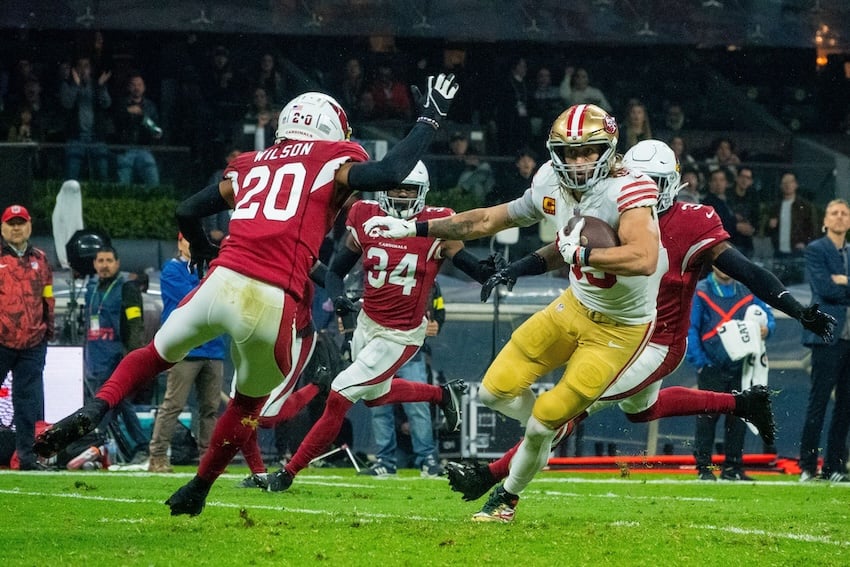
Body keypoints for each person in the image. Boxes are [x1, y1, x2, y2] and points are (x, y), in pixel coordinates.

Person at [35, 73, 461, 517]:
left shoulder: (252, 162)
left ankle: (97, 406)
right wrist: (429, 119)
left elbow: (187, 209)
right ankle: (199, 487)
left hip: (221, 279)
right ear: (333, 129)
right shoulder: (333, 160)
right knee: (248, 406)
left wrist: (201, 247)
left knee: (154, 354)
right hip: (272, 298)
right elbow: (391, 171)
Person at [441, 140, 832, 503]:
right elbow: (564, 248)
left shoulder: (693, 221)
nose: (649, 189)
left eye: (656, 181)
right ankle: (741, 403)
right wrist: (518, 268)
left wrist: (797, 310)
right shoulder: (611, 200)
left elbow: (745, 270)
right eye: (640, 179)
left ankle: (495, 481)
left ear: (674, 183)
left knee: (571, 407)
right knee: (640, 411)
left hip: (656, 341)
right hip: (604, 324)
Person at [366, 103, 663, 522]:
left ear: (609, 149)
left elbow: (644, 257)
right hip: (575, 305)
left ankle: (506, 496)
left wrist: (582, 253)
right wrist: (417, 228)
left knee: (542, 422)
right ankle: (547, 432)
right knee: (494, 391)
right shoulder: (549, 182)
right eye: (569, 152)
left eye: (588, 151)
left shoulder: (629, 189)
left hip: (620, 329)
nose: (577, 162)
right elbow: (488, 219)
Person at [264, 160, 500, 492]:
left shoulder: (437, 223)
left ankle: (287, 473)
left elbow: (469, 265)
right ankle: (441, 395)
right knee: (375, 398)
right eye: (396, 188)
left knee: (339, 394)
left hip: (402, 333)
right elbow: (335, 271)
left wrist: (494, 272)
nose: (402, 196)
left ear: (422, 194)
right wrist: (340, 300)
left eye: (409, 190)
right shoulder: (364, 215)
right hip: (368, 323)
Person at [688, 265, 775, 481]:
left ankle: (733, 467)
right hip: (711, 365)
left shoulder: (748, 290)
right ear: (713, 264)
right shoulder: (700, 291)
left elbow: (768, 315)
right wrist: (701, 363)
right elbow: (690, 328)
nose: (725, 268)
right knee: (708, 417)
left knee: (739, 418)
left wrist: (767, 329)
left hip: (741, 365)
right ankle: (704, 468)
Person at [147, 233, 226, 473]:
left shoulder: (212, 268)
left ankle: (208, 460)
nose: (193, 245)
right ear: (180, 243)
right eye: (189, 241)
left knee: (210, 409)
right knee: (174, 405)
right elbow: (193, 298)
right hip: (185, 347)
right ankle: (157, 457)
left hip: (213, 346)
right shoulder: (172, 270)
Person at [360, 269, 447, 478]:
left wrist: (436, 324)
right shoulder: (381, 272)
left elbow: (439, 309)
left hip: (410, 349)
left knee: (417, 405)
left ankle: (426, 458)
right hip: (381, 347)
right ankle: (386, 460)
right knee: (381, 406)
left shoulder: (425, 276)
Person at [798, 199, 850, 483]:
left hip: (849, 338)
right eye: (834, 213)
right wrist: (838, 283)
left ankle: (835, 467)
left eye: (844, 213)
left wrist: (844, 281)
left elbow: (836, 289)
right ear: (825, 220)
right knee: (818, 402)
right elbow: (825, 289)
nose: (840, 217)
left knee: (846, 406)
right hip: (828, 336)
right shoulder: (816, 250)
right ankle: (807, 466)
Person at [83, 246, 149, 463]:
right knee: (111, 405)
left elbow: (135, 325)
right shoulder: (90, 289)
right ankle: (105, 449)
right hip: (94, 359)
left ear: (117, 263)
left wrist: (132, 355)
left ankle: (135, 447)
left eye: (109, 260)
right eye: (100, 260)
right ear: (94, 264)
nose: (104, 265)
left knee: (115, 403)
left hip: (116, 358)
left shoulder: (126, 289)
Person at [0, 205, 54, 470]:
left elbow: (48, 298)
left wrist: (48, 331)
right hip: (1, 340)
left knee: (27, 404)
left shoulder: (41, 260)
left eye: (21, 222)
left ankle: (27, 458)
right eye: (11, 223)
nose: (16, 227)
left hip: (33, 343)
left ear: (30, 226)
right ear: (3, 228)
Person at [59, 55, 112, 182]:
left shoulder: (97, 85)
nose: (83, 69)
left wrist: (101, 87)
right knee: (72, 177)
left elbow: (107, 103)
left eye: (86, 66)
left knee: (102, 176)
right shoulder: (67, 85)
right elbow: (67, 103)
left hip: (97, 138)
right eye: (80, 66)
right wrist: (76, 86)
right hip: (76, 138)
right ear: (75, 70)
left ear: (91, 69)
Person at [113, 71, 162, 187]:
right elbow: (116, 122)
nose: (137, 88)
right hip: (125, 150)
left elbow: (157, 130)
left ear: (144, 87)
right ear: (129, 87)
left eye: (139, 85)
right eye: (134, 85)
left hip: (144, 149)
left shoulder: (150, 106)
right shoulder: (121, 104)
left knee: (154, 181)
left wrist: (141, 115)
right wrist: (126, 112)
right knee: (122, 185)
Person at [763, 171, 819, 267]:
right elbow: (766, 231)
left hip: (798, 252)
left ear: (796, 184)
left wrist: (805, 243)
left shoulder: (805, 206)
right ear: (781, 186)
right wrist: (770, 225)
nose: (787, 185)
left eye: (790, 182)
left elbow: (813, 229)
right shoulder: (775, 207)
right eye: (785, 183)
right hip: (779, 252)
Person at [726, 166, 761, 258]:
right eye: (742, 177)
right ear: (737, 178)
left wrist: (752, 229)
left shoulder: (753, 197)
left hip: (747, 244)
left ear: (751, 181)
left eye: (748, 178)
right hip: (729, 243)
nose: (744, 180)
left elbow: (757, 219)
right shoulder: (727, 195)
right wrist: (736, 226)